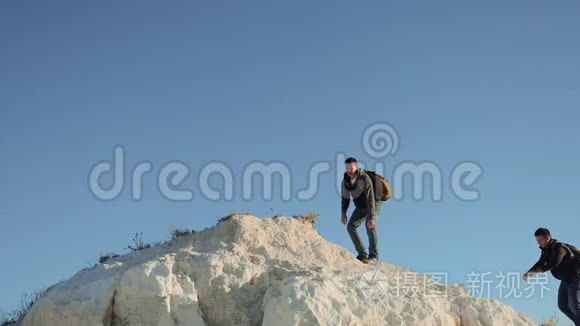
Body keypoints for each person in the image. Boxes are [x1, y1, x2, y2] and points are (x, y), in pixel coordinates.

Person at [524, 228, 580, 325]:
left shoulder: (559, 247)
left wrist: (538, 271)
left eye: (540, 240)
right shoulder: (545, 250)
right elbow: (541, 262)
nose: (539, 243)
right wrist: (530, 271)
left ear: (547, 238)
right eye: (537, 241)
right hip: (566, 279)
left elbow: (555, 263)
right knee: (562, 305)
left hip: (576, 277)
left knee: (574, 305)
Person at [340, 157, 382, 264]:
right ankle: (362, 254)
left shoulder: (364, 178)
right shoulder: (345, 181)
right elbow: (345, 198)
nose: (349, 171)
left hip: (373, 203)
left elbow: (370, 198)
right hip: (360, 206)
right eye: (347, 168)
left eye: (351, 168)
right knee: (350, 226)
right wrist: (343, 212)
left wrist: (372, 216)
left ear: (356, 167)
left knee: (369, 225)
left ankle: (374, 255)